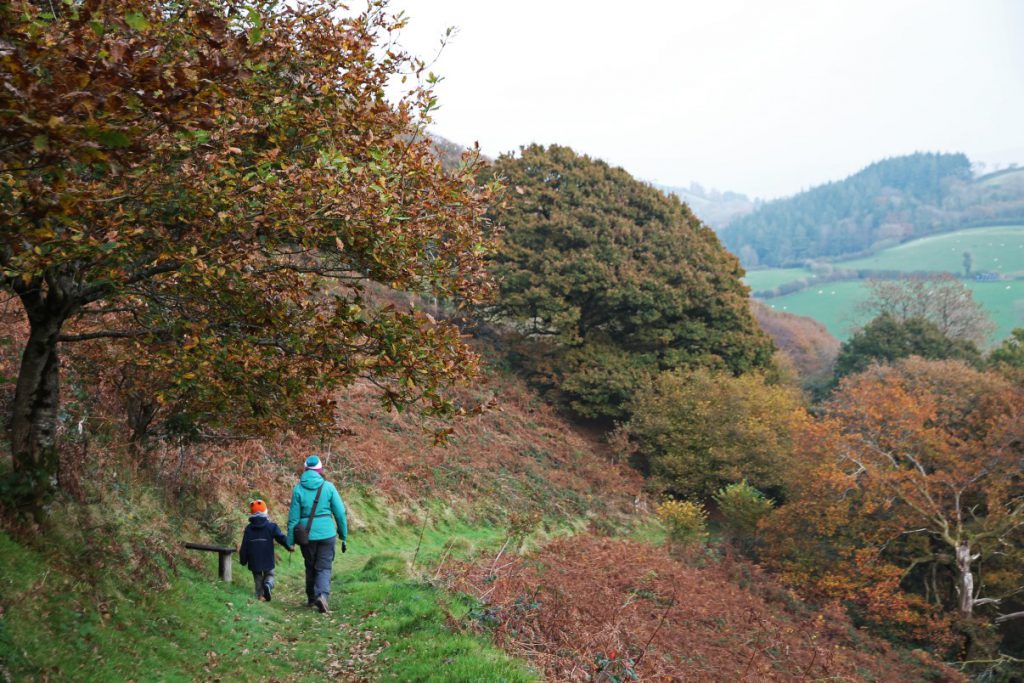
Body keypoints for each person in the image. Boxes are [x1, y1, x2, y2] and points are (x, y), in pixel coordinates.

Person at [287, 455, 348, 613]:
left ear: (305, 469)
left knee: (310, 565)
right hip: (327, 534)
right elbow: (340, 513)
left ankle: (312, 598)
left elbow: (293, 519)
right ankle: (322, 596)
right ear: (320, 470)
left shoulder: (298, 489)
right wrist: (343, 534)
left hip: (306, 536)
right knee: (324, 567)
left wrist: (290, 541)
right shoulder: (328, 487)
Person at [239, 499, 293, 602]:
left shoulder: (249, 529)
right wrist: (288, 545)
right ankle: (268, 584)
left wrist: (243, 559)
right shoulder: (271, 526)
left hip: (254, 560)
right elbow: (280, 537)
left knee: (258, 578)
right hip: (267, 558)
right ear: (265, 512)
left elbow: (244, 545)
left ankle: (260, 596)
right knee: (270, 574)